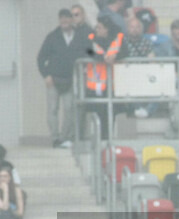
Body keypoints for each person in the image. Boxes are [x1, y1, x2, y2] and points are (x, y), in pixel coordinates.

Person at [38, 9, 88, 148]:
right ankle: (55, 138)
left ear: (71, 20)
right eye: (62, 19)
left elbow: (89, 50)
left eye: (67, 18)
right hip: (53, 80)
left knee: (69, 109)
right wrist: (46, 75)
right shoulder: (52, 37)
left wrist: (95, 56)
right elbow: (41, 57)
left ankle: (66, 138)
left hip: (71, 79)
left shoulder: (80, 36)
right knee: (52, 110)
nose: (64, 21)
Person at [85, 16, 125, 140]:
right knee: (98, 117)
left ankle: (108, 143)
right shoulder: (91, 39)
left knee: (111, 116)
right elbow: (87, 51)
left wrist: (116, 56)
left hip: (113, 87)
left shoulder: (119, 38)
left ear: (107, 29)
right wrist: (102, 59)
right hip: (96, 87)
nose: (97, 29)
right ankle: (99, 143)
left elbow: (125, 51)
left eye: (100, 27)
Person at [122, 17, 156, 119]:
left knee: (160, 85)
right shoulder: (122, 43)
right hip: (128, 75)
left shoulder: (147, 43)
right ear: (127, 28)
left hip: (145, 75)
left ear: (141, 29)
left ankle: (147, 111)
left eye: (137, 27)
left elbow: (152, 60)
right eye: (132, 27)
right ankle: (137, 109)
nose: (135, 29)